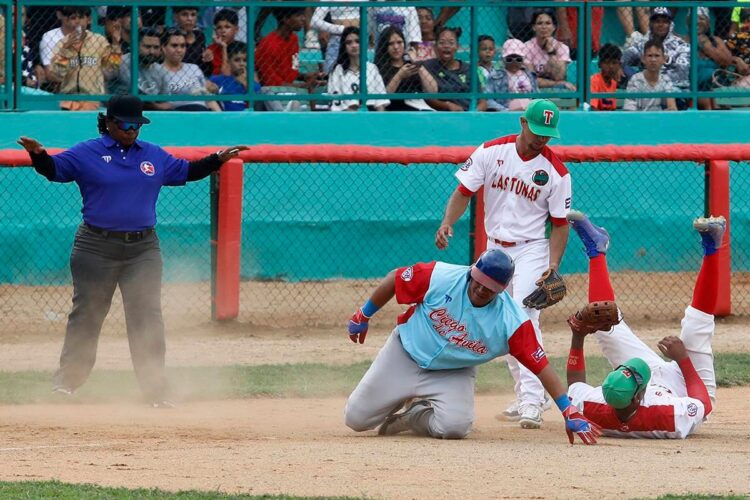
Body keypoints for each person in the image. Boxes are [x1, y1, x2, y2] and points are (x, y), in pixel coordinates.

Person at [16, 95, 247, 407]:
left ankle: (155, 390)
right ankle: (66, 384)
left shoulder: (152, 155)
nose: (132, 130)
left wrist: (217, 159)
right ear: (108, 122)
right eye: (126, 124)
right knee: (87, 315)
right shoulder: (88, 152)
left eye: (138, 124)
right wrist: (39, 155)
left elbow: (187, 172)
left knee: (147, 318)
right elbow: (54, 170)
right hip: (96, 247)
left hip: (143, 249)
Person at [344, 249, 600, 444]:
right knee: (356, 420)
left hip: (454, 371)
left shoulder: (511, 322)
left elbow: (542, 367)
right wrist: (363, 315)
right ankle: (394, 397)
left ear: (500, 291)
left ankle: (414, 415)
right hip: (404, 353)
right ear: (472, 272)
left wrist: (568, 410)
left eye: (489, 288)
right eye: (477, 280)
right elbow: (395, 279)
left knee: (454, 427)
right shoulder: (441, 276)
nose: (479, 288)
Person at [434, 99, 571, 429]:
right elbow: (464, 191)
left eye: (547, 135)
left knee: (523, 317)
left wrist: (552, 264)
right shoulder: (491, 151)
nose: (541, 139)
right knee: (500, 320)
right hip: (494, 249)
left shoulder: (556, 172)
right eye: (537, 131)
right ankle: (524, 394)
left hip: (532, 249)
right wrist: (447, 222)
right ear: (523, 122)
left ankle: (533, 401)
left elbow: (561, 223)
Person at [564, 211, 721, 438]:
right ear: (639, 396)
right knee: (696, 324)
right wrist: (684, 360)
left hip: (636, 390)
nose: (629, 366)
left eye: (623, 369)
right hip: (686, 387)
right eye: (632, 372)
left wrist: (578, 336)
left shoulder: (595, 405)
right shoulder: (670, 416)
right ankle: (712, 248)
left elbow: (574, 386)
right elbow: (702, 403)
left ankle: (595, 250)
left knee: (603, 324)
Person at [49, 7, 122, 111]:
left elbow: (112, 68)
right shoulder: (62, 43)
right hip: (68, 99)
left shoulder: (99, 41)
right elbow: (58, 73)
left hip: (93, 98)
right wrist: (66, 50)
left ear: (89, 19)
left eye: (81, 17)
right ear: (68, 21)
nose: (77, 21)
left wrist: (115, 44)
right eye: (73, 18)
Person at [622, 7, 690, 94]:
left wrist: (651, 80)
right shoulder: (642, 43)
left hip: (673, 89)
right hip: (645, 88)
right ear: (651, 24)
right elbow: (624, 59)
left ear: (670, 25)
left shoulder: (681, 45)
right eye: (657, 21)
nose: (660, 25)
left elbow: (681, 75)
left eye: (665, 22)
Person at [155, 28, 221, 112]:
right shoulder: (157, 71)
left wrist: (222, 118)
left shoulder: (194, 68)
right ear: (163, 48)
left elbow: (208, 99)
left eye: (182, 46)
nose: (179, 50)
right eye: (174, 45)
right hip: (177, 116)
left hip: (203, 113)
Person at [375, 26, 437, 111]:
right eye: (391, 43)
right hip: (395, 109)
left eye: (399, 42)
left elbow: (433, 91)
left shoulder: (411, 63)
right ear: (384, 46)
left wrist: (417, 64)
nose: (396, 47)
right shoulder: (379, 68)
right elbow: (384, 99)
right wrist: (400, 75)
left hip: (418, 108)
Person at [328, 27, 390, 112]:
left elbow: (380, 102)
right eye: (349, 42)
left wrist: (379, 122)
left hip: (372, 115)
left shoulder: (372, 68)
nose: (354, 45)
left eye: (357, 41)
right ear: (344, 46)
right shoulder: (338, 71)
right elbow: (336, 102)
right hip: (347, 116)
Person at [683, 7, 733, 110]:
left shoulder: (716, 41)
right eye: (693, 18)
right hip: (694, 89)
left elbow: (726, 62)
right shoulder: (682, 41)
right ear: (688, 22)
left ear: (708, 23)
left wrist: (707, 47)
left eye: (701, 18)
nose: (697, 21)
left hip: (717, 87)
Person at [423, 27, 477, 111]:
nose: (446, 46)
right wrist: (446, 106)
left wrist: (473, 113)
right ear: (435, 46)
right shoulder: (428, 66)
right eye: (442, 42)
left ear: (457, 46)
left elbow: (482, 100)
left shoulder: (468, 68)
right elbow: (428, 98)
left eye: (451, 43)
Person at [524, 10, 575, 91]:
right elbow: (531, 79)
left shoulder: (562, 47)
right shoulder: (526, 47)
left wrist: (551, 51)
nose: (544, 27)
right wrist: (556, 84)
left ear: (554, 27)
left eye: (548, 23)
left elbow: (559, 76)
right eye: (540, 23)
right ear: (534, 27)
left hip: (556, 91)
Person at [483, 38, 538, 112]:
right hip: (507, 112)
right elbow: (488, 99)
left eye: (518, 59)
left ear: (523, 59)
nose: (514, 62)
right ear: (503, 59)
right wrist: (505, 111)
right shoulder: (496, 76)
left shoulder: (529, 75)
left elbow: (536, 96)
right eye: (509, 59)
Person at [623, 40, 677, 111]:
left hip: (658, 120)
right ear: (643, 59)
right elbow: (629, 110)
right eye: (650, 56)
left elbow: (672, 108)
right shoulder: (635, 80)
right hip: (639, 120)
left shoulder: (665, 79)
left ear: (664, 59)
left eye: (657, 56)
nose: (653, 59)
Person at [310, 1, 361, 73]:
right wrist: (342, 29)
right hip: (337, 39)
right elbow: (314, 22)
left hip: (358, 38)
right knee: (331, 72)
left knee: (360, 72)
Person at [208, 41, 260, 111]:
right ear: (229, 61)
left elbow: (258, 100)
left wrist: (245, 83)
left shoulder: (252, 84)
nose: (242, 64)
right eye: (237, 60)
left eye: (245, 60)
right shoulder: (218, 80)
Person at [114, 27, 164, 98]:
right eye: (147, 47)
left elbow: (165, 101)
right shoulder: (120, 61)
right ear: (136, 46)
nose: (152, 52)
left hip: (151, 108)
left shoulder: (161, 70)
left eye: (156, 47)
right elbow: (106, 73)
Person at [172, 6, 212, 76]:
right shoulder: (171, 38)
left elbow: (206, 69)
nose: (189, 19)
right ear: (176, 17)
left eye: (193, 15)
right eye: (184, 14)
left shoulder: (200, 36)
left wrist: (208, 58)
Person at [589, 43, 626, 111]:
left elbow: (612, 109)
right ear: (599, 64)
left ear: (619, 65)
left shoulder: (613, 83)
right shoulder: (594, 81)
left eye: (614, 63)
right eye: (607, 63)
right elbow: (593, 109)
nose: (611, 67)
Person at [206, 8, 241, 77]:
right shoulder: (210, 50)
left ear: (236, 30)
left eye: (227, 27)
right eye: (219, 27)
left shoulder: (241, 48)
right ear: (215, 30)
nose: (223, 31)